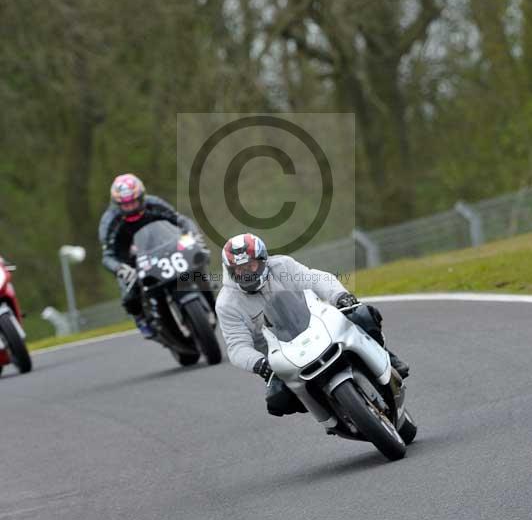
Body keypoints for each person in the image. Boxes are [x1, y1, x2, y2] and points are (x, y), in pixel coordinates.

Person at [216, 232, 409, 417]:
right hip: (280, 356)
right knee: (278, 401)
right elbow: (236, 346)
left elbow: (316, 279)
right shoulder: (226, 303)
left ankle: (387, 358)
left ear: (263, 260)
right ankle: (331, 413)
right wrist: (259, 364)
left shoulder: (282, 265)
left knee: (362, 315)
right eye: (239, 270)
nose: (246, 273)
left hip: (314, 325)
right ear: (231, 271)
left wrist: (341, 296)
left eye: (251, 266)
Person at [98, 173, 215, 338]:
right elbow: (108, 255)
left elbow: (181, 221)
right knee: (129, 295)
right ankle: (141, 320)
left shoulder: (153, 204)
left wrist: (194, 237)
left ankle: (210, 299)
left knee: (197, 264)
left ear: (141, 197)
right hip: (131, 260)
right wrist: (120, 268)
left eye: (133, 202)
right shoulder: (109, 220)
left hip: (164, 248)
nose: (130, 207)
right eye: (125, 205)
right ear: (117, 204)